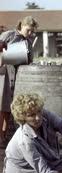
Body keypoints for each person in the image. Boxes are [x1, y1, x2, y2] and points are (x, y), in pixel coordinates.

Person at [0, 16, 38, 147]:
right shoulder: (9, 35)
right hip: (3, 75)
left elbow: (29, 60)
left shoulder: (28, 42)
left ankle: (3, 138)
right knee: (2, 108)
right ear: (21, 26)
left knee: (8, 108)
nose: (30, 33)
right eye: (28, 30)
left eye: (32, 31)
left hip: (17, 78)